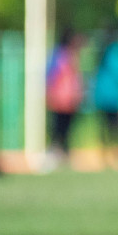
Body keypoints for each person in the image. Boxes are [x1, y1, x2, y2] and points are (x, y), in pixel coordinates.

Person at [46, 30, 85, 165]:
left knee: (66, 129)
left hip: (70, 100)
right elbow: (53, 77)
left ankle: (64, 154)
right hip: (60, 100)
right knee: (58, 128)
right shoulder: (61, 55)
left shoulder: (72, 55)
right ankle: (54, 153)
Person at [92, 30, 118, 168]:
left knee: (104, 128)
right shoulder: (113, 52)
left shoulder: (101, 53)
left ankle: (104, 156)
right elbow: (117, 73)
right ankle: (115, 156)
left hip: (101, 96)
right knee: (114, 129)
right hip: (112, 98)